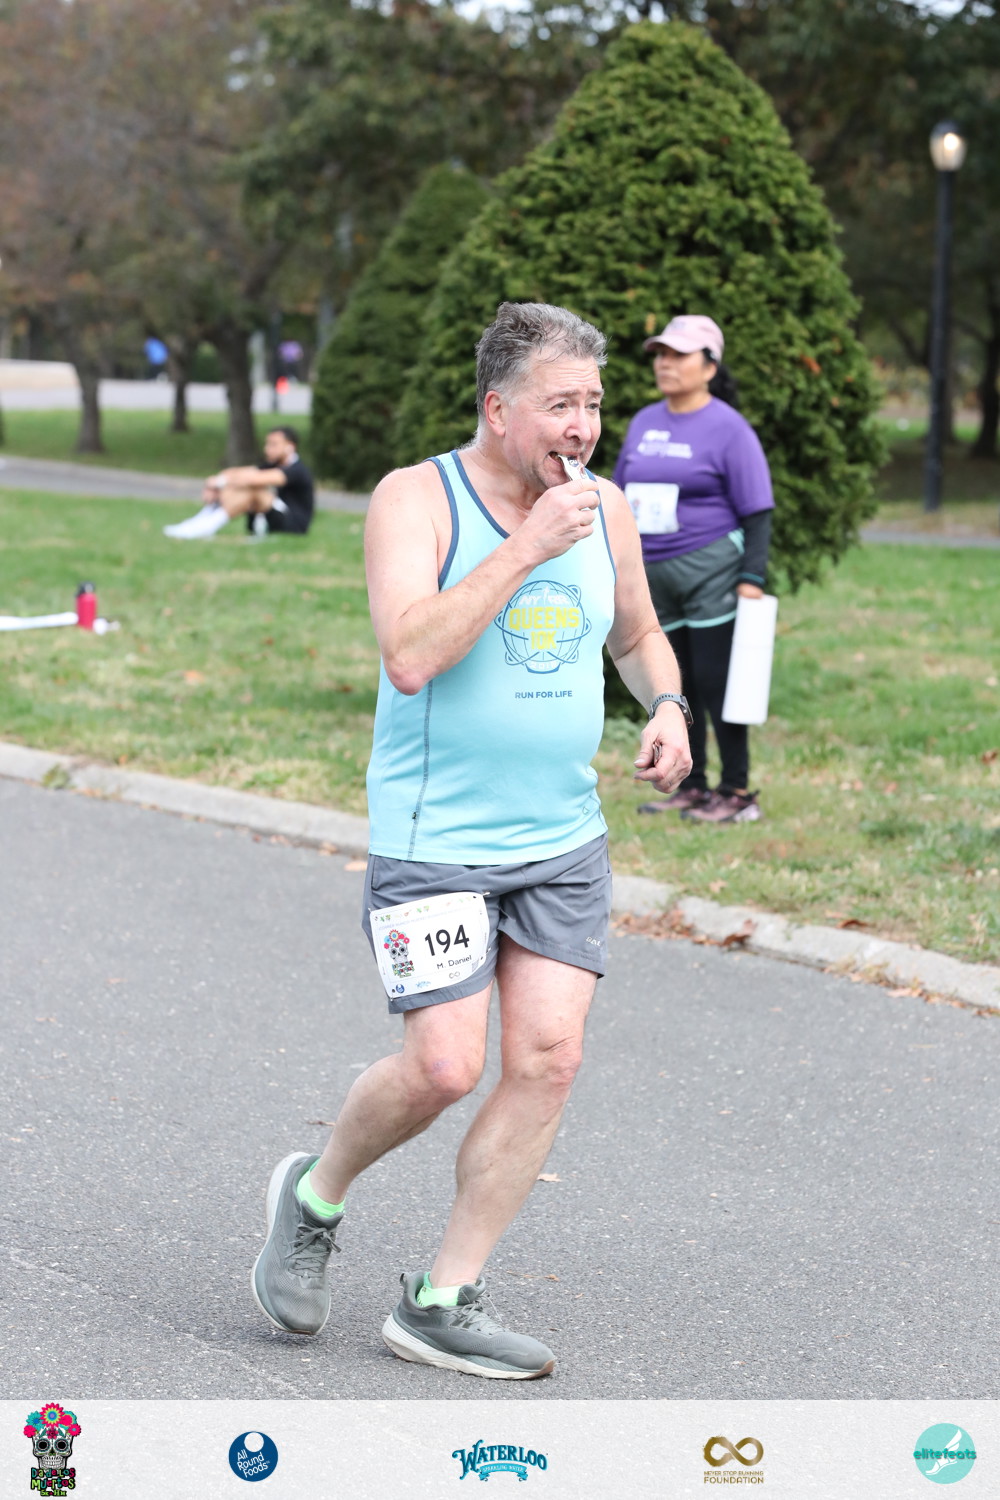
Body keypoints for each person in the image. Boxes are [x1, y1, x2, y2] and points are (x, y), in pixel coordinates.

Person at [251, 301, 693, 1380]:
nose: (582, 426)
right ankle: (314, 1195)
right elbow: (410, 655)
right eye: (560, 404)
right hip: (436, 840)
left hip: (562, 839)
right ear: (499, 410)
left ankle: (443, 1299)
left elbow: (635, 629)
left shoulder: (604, 508)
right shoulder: (416, 499)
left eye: (593, 404)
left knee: (550, 1059)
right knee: (444, 1067)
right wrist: (527, 549)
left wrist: (669, 703)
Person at [613, 314, 774, 824]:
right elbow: (618, 494)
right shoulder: (644, 422)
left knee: (715, 680)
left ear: (709, 366)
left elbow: (758, 510)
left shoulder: (729, 428)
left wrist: (752, 579)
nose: (665, 363)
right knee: (675, 685)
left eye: (678, 355)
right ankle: (694, 785)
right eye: (660, 354)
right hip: (654, 580)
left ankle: (737, 791)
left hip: (712, 576)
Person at [163, 426, 314, 540]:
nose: (267, 449)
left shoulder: (297, 470)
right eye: (267, 444)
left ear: (290, 447)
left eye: (273, 444)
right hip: (272, 517)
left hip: (293, 524)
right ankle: (199, 521)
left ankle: (206, 526)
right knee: (237, 485)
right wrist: (215, 484)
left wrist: (220, 482)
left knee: (253, 489)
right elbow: (236, 473)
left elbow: (257, 479)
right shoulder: (271, 464)